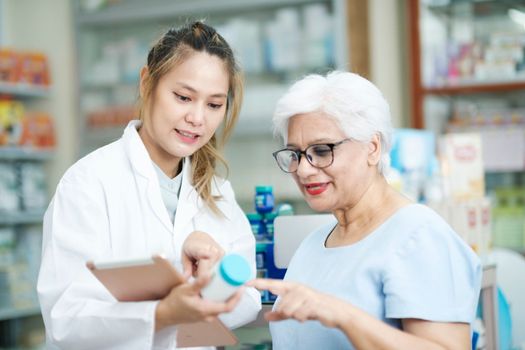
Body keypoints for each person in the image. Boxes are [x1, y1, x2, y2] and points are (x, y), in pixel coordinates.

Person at [37, 21, 261, 349]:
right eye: (184, 97)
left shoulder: (216, 193)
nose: (198, 118)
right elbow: (65, 318)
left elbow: (249, 297)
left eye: (214, 104)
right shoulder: (88, 183)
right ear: (147, 83)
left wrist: (213, 276)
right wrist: (161, 313)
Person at [249, 71, 482, 349]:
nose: (303, 169)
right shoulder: (313, 245)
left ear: (372, 148)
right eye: (295, 154)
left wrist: (344, 316)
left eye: (322, 150)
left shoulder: (419, 236)